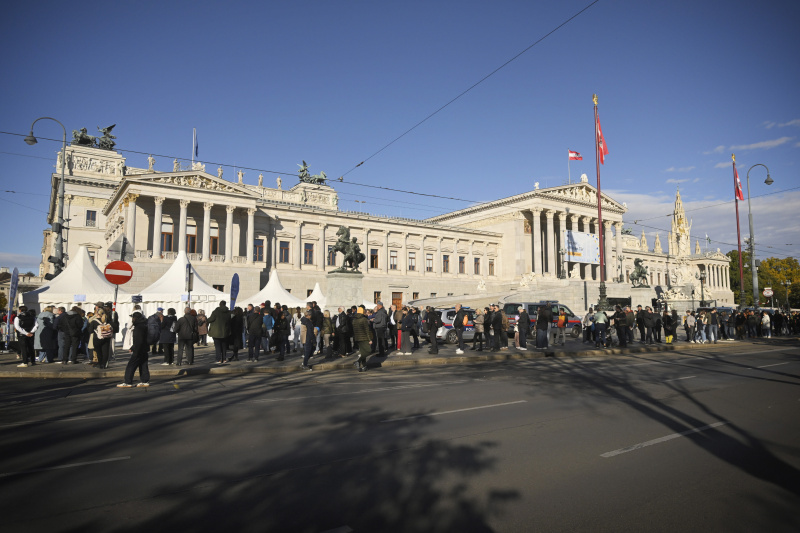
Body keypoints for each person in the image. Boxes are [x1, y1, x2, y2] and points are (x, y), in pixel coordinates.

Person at [118, 311, 150, 388]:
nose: (132, 319)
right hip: (144, 348)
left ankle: (128, 382)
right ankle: (145, 381)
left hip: (138, 350)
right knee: (143, 364)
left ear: (135, 318)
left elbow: (138, 340)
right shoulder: (144, 325)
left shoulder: (138, 327)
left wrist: (134, 349)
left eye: (132, 317)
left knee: (131, 365)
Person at [352, 306, 371, 372]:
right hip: (364, 337)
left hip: (357, 338)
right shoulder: (364, 319)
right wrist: (369, 339)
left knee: (363, 352)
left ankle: (364, 366)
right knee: (368, 351)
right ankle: (358, 361)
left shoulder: (354, 319)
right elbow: (367, 330)